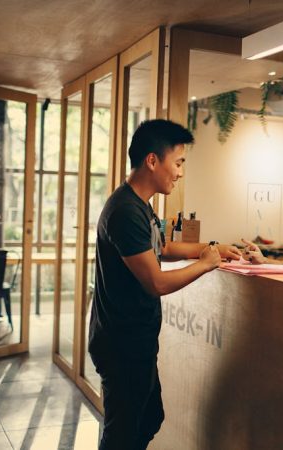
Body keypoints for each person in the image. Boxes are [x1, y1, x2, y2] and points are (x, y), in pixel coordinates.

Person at [89, 119, 241, 449]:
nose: (181, 172)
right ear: (153, 161)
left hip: (135, 340)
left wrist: (210, 248)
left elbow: (165, 248)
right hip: (121, 343)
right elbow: (155, 282)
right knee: (122, 436)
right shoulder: (125, 211)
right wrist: (205, 265)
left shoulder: (140, 207)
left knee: (149, 418)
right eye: (179, 162)